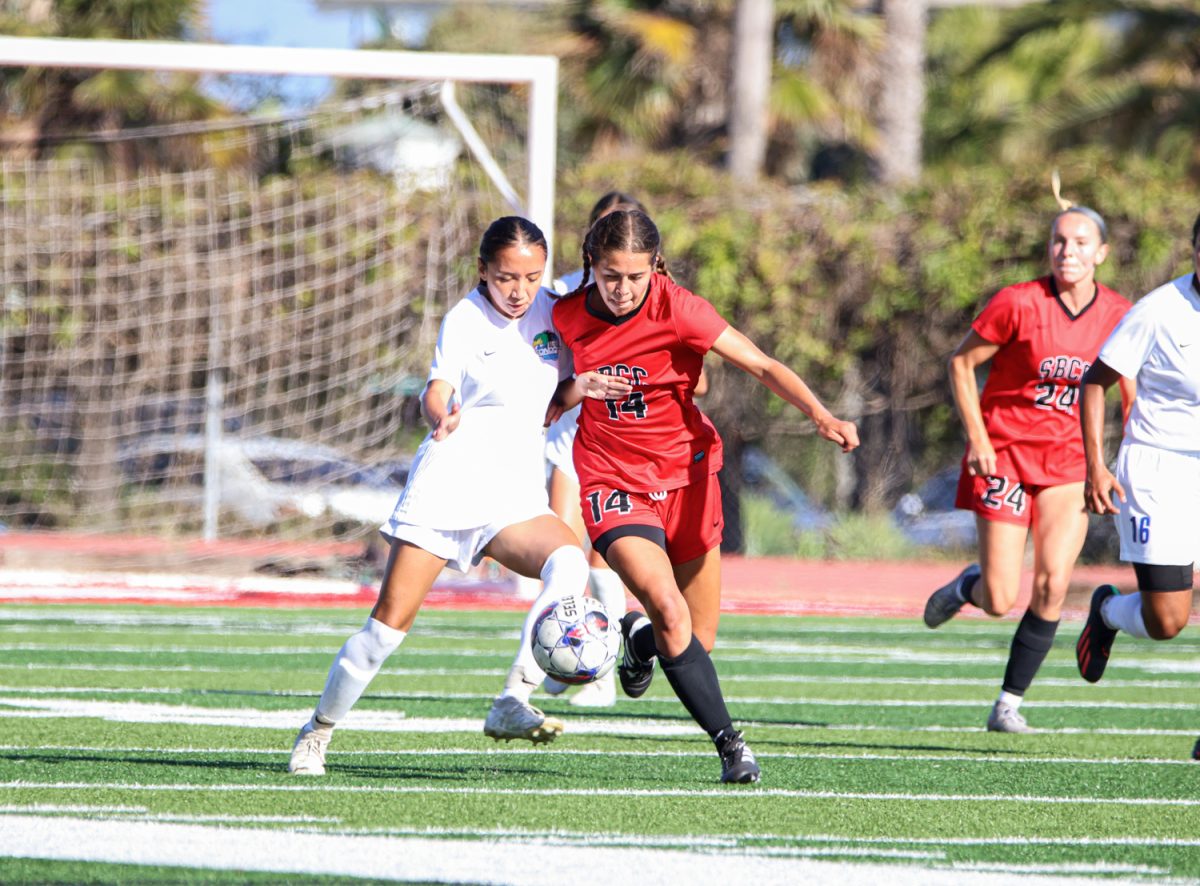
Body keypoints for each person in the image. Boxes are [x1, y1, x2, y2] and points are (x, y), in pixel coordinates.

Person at [550, 208, 859, 783]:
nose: (622, 290)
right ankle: (731, 745)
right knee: (668, 606)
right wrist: (572, 389)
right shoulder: (563, 315)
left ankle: (637, 641)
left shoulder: (681, 308)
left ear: (655, 268)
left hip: (688, 476)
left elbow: (760, 364)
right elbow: (539, 402)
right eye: (610, 275)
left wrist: (819, 412)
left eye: (635, 277)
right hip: (612, 479)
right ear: (591, 266)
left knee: (694, 636)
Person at [288, 216, 597, 775]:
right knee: (385, 629)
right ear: (483, 270)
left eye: (531, 277)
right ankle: (317, 732)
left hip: (512, 493)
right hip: (449, 484)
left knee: (570, 563)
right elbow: (439, 387)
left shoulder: (554, 312)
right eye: (506, 277)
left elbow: (555, 395)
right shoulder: (465, 320)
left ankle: (512, 699)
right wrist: (439, 410)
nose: (519, 290)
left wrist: (584, 388)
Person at [922, 195, 1133, 734]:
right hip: (1008, 458)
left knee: (1053, 585)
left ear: (1102, 253)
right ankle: (969, 585)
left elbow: (1130, 390)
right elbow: (962, 363)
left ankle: (1007, 704)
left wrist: (1118, 461)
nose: (1068, 251)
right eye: (1059, 241)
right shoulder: (1018, 302)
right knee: (1000, 597)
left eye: (1081, 242)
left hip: (1068, 465)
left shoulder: (1118, 313)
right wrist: (979, 439)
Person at [1074, 211, 1200, 694]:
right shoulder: (1160, 310)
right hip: (1159, 469)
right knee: (1167, 620)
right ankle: (1107, 611)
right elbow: (1094, 383)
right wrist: (1096, 466)